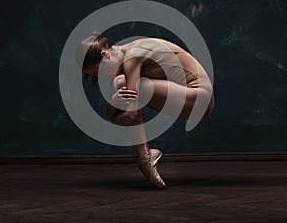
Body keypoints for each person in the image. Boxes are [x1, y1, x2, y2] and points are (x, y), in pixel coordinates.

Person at [76, 33, 215, 189]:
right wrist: (114, 105)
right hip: (188, 97)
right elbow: (118, 113)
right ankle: (146, 158)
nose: (101, 77)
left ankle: (144, 160)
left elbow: (130, 114)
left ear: (105, 54)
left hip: (200, 99)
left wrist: (114, 116)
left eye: (98, 72)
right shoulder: (126, 59)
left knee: (123, 85)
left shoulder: (133, 57)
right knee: (120, 83)